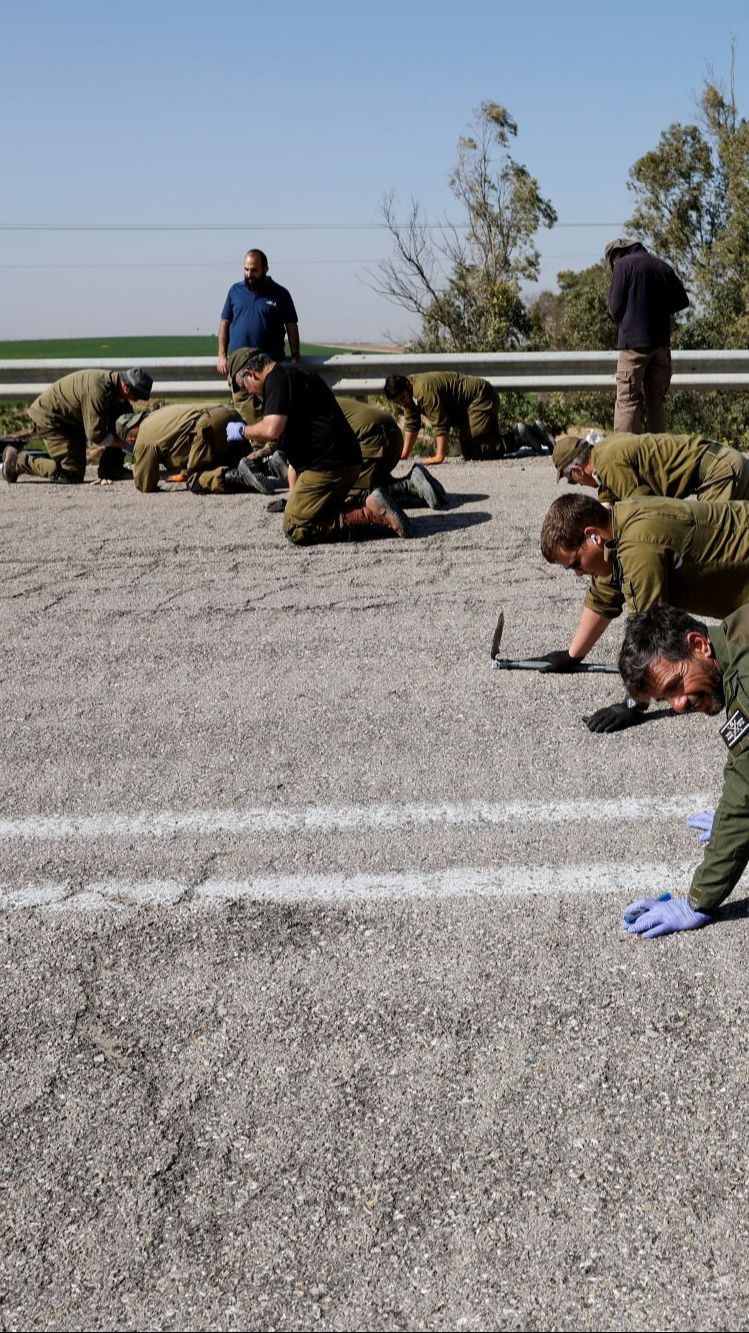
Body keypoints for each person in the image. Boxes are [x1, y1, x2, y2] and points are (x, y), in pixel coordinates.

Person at [538, 492, 749, 730]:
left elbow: (650, 637)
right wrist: (571, 655)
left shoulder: (638, 549)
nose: (577, 573)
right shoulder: (619, 525)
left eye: (576, 563)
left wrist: (633, 703)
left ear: (592, 535)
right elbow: (605, 595)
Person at [617, 602, 749, 937]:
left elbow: (745, 796)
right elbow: (742, 766)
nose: (678, 705)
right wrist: (726, 821)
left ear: (698, 644)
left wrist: (697, 901)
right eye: (666, 699)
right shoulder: (736, 632)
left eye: (676, 685)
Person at [232, 353, 412, 543]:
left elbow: (271, 428)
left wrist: (243, 430)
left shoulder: (276, 379)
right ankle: (372, 501)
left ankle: (371, 513)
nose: (250, 393)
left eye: (245, 387)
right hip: (347, 460)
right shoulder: (295, 373)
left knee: (295, 526)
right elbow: (294, 457)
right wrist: (295, 499)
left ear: (252, 374)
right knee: (311, 510)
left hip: (326, 467)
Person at [2, 368, 152, 484]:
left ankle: (111, 469)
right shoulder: (98, 391)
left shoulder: (116, 389)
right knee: (71, 473)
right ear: (126, 387)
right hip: (52, 419)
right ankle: (17, 462)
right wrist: (125, 444)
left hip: (71, 420)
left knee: (123, 424)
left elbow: (125, 425)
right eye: (136, 396)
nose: (136, 401)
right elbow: (96, 436)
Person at [605, 237, 689, 434]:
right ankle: (657, 456)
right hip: (661, 346)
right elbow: (682, 301)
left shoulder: (623, 265)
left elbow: (615, 310)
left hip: (633, 346)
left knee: (627, 401)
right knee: (655, 402)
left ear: (616, 255)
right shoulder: (662, 266)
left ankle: (626, 456)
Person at [382, 371, 553, 464]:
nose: (402, 403)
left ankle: (519, 436)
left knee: (472, 449)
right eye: (398, 403)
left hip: (480, 397)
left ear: (406, 385)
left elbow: (440, 424)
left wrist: (439, 456)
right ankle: (533, 432)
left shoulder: (423, 392)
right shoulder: (410, 394)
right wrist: (404, 454)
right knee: (485, 448)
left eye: (403, 398)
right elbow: (412, 424)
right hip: (473, 403)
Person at [553, 431, 749, 505]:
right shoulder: (604, 450)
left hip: (720, 472)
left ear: (578, 470)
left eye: (571, 480)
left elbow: (646, 510)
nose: (576, 484)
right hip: (727, 461)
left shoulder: (608, 463)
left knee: (709, 542)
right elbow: (607, 502)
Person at [116, 404, 277, 494]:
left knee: (196, 480)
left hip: (208, 426)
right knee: (238, 461)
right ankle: (270, 463)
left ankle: (241, 477)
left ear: (129, 436)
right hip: (229, 414)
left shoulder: (143, 437)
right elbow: (183, 442)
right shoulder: (156, 416)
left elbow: (145, 484)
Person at [217, 250, 299, 420]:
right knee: (244, 415)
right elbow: (225, 322)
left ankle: (271, 445)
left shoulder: (280, 294)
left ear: (265, 269)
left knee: (272, 414)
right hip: (241, 368)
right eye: (246, 270)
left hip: (269, 367)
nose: (249, 274)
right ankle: (251, 445)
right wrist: (221, 355)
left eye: (254, 270)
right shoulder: (235, 291)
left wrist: (295, 356)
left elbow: (291, 325)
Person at [338, 397, 447, 510]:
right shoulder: (327, 400)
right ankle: (415, 481)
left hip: (375, 439)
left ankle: (409, 485)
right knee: (370, 482)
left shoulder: (320, 412)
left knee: (360, 498)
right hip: (391, 434)